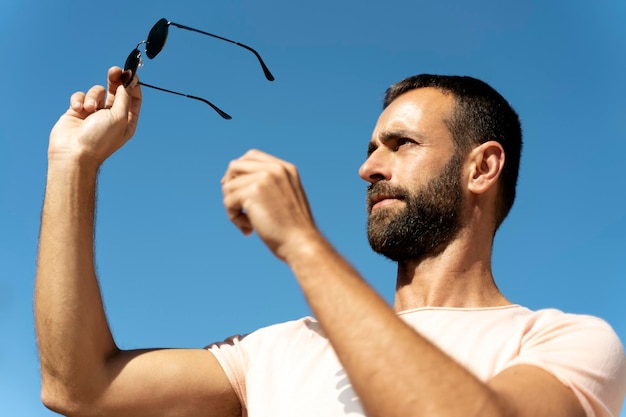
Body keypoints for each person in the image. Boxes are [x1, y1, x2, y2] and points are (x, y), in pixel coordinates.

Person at [35, 66, 626, 417]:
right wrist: (73, 162)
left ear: (482, 168)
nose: (369, 168)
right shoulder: (273, 351)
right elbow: (80, 387)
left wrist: (302, 243)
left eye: (401, 145)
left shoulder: (563, 342)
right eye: (370, 149)